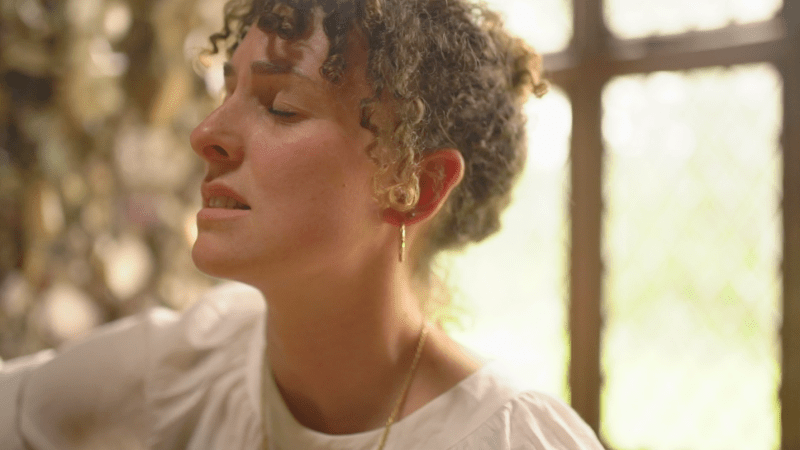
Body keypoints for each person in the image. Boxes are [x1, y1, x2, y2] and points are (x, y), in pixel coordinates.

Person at [0, 0, 604, 448]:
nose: (206, 134)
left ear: (414, 186)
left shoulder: (511, 437)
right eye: (227, 91)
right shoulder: (189, 364)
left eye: (281, 106)